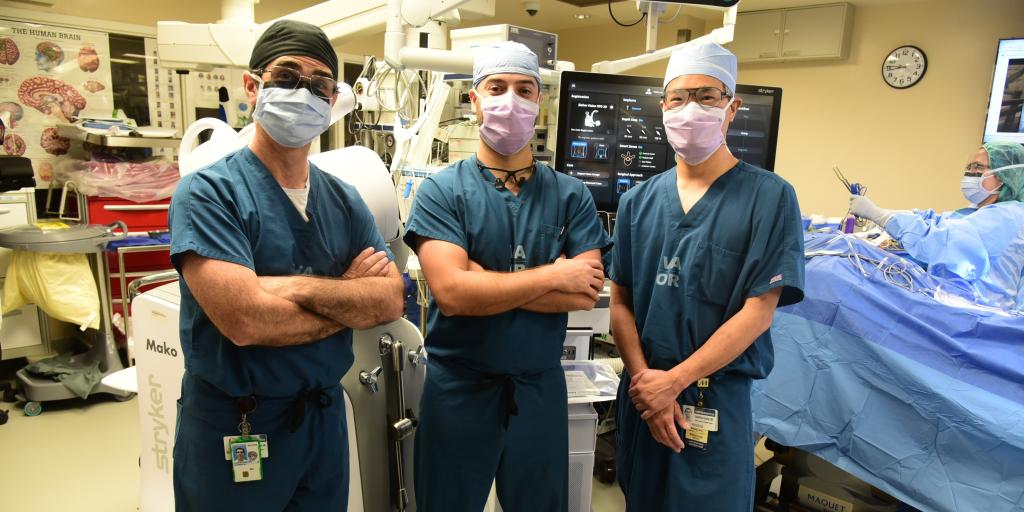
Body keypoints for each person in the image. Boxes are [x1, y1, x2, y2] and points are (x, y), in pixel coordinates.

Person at [168, 20, 404, 511]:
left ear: (331, 98)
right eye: (286, 76)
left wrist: (279, 289)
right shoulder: (208, 193)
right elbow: (245, 320)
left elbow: (388, 299)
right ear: (252, 87)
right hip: (237, 424)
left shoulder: (344, 199)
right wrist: (345, 297)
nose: (304, 92)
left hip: (321, 419)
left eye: (319, 83)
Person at [403, 41, 612, 511]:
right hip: (458, 388)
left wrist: (486, 282)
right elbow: (453, 294)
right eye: (497, 88)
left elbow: (586, 291)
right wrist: (552, 275)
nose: (511, 100)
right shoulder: (443, 190)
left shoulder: (570, 195)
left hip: (537, 388)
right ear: (474, 100)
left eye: (524, 89)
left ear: (541, 102)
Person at [608, 42, 806, 511]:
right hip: (643, 395)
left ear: (733, 108)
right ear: (663, 108)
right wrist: (647, 384)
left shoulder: (770, 198)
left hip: (710, 398)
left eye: (707, 96)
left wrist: (674, 382)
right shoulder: (639, 202)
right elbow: (621, 303)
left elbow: (758, 312)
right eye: (677, 98)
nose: (689, 109)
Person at [850, 141, 1024, 311]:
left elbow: (940, 239)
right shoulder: (979, 211)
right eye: (968, 167)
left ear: (1004, 177)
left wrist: (879, 215)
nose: (970, 173)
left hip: (980, 315)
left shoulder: (1007, 217)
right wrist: (887, 214)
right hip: (958, 304)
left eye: (978, 167)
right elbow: (937, 221)